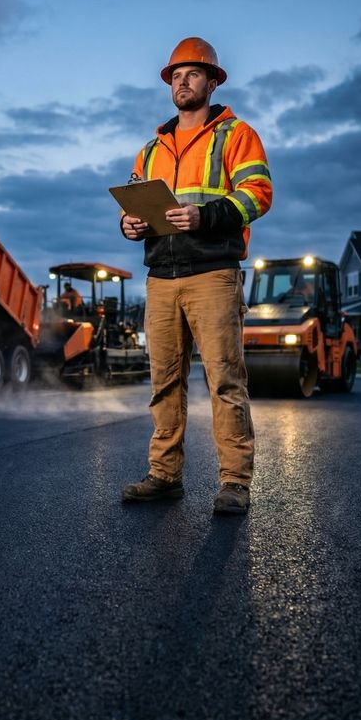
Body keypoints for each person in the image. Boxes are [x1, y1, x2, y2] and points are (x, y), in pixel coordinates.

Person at [120, 37, 272, 514]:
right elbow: (133, 199)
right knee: (164, 381)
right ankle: (165, 475)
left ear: (211, 81)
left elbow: (258, 193)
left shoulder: (235, 134)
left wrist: (207, 216)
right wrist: (128, 225)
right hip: (162, 276)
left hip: (212, 274)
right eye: (176, 76)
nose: (183, 82)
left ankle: (234, 483)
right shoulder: (150, 149)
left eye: (192, 74)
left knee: (225, 380)